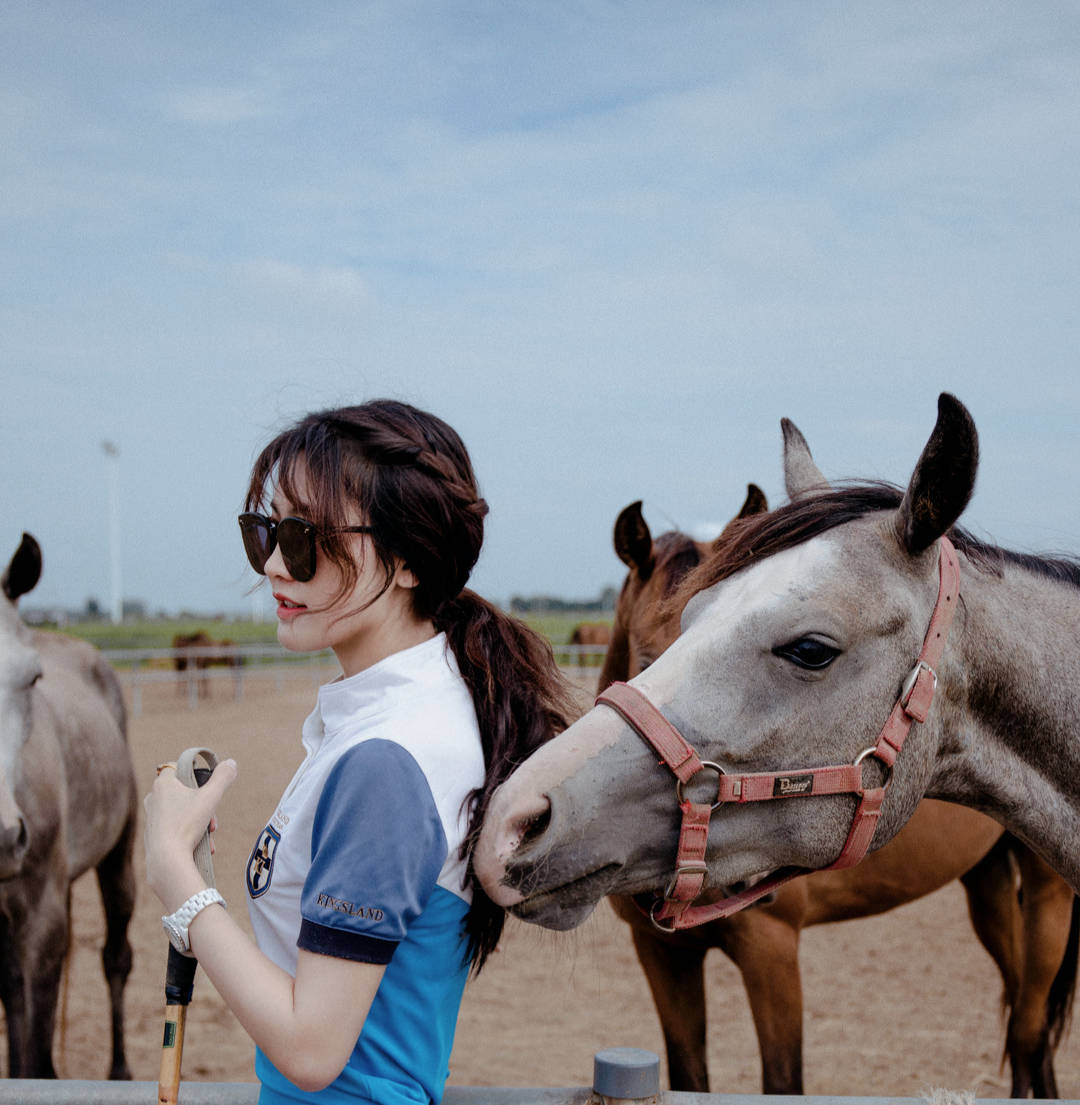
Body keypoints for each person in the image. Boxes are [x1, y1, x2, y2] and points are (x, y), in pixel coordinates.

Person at [143, 400, 577, 1104]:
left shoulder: (388, 757)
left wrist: (178, 878)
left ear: (407, 560)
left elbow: (312, 1047)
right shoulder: (408, 714)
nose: (278, 564)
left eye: (306, 537)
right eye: (268, 532)